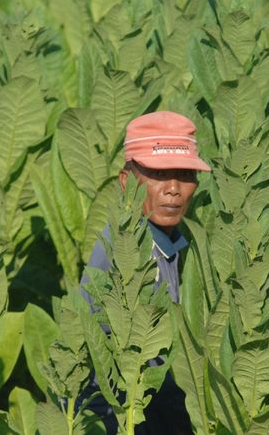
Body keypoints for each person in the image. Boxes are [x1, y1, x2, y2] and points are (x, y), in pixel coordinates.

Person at [80, 111, 211, 435]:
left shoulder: (173, 244)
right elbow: (90, 367)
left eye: (184, 174)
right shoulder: (120, 254)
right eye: (157, 173)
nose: (173, 189)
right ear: (127, 180)